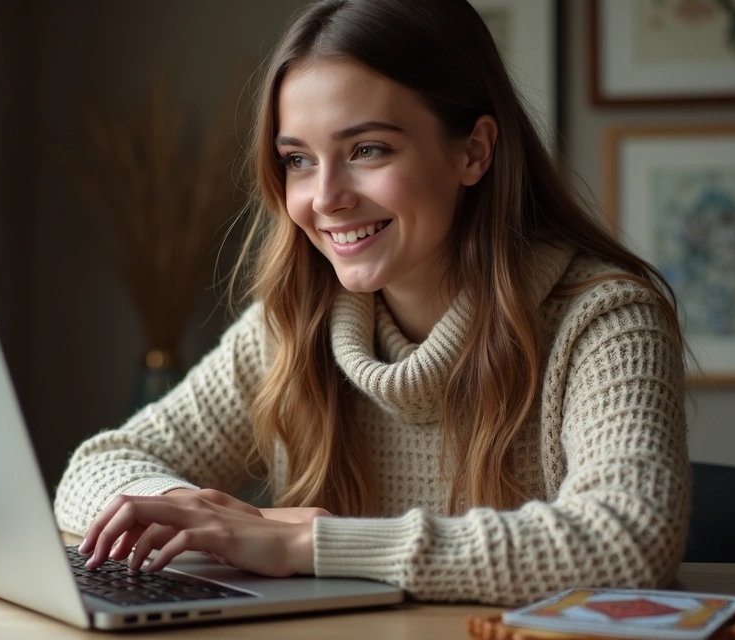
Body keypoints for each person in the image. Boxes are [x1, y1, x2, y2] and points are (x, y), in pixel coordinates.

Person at [55, 0, 690, 606]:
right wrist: (192, 509)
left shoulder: (605, 321)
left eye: (368, 150)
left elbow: (627, 541)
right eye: (299, 160)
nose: (326, 198)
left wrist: (308, 543)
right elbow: (97, 468)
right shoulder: (292, 325)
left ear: (473, 151)